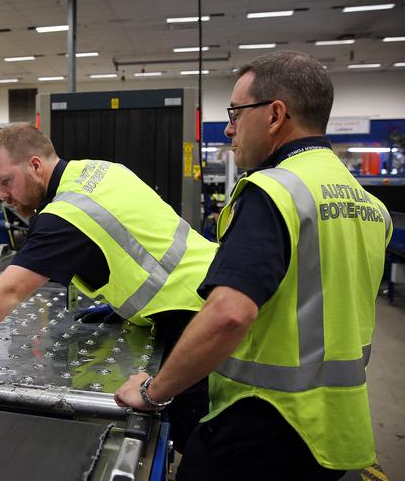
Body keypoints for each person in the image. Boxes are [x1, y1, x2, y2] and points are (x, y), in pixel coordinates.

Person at [114, 50, 393, 480]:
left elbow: (229, 314)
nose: (229, 129)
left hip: (263, 425)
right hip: (335, 429)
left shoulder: (273, 192)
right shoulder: (369, 205)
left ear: (276, 114)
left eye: (235, 113)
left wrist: (153, 392)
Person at [0, 122, 218, 449]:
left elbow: (9, 291)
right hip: (210, 283)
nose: (3, 196)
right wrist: (122, 306)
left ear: (35, 165)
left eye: (6, 182)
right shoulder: (99, 170)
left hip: (194, 314)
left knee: (199, 436)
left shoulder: (67, 213)